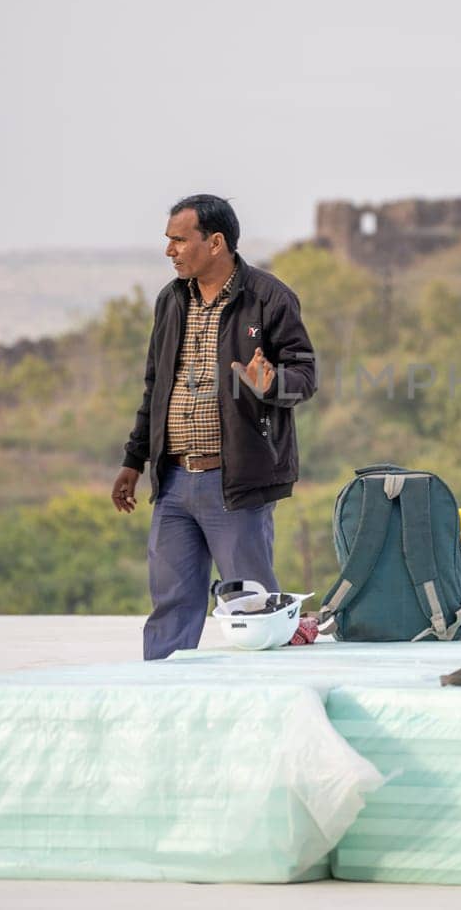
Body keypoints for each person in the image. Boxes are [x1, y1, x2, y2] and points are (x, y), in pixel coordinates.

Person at [112, 195, 317, 660]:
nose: (170, 251)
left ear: (216, 242)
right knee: (170, 608)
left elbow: (305, 377)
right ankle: (163, 706)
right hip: (174, 483)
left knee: (254, 612)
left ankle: (267, 713)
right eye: (168, 241)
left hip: (237, 483)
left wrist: (272, 383)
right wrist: (133, 459)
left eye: (179, 240)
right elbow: (155, 387)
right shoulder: (170, 301)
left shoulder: (269, 298)